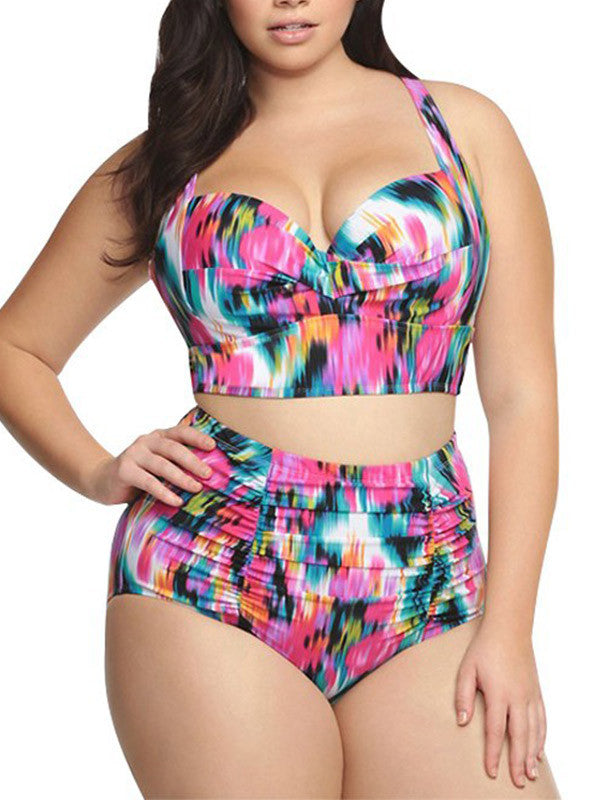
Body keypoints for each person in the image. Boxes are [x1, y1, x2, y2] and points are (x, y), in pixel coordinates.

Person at [0, 1, 561, 798]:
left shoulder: (463, 130)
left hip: (426, 579)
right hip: (211, 573)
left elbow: (522, 397)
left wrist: (510, 630)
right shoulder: (170, 161)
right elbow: (16, 347)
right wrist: (97, 470)